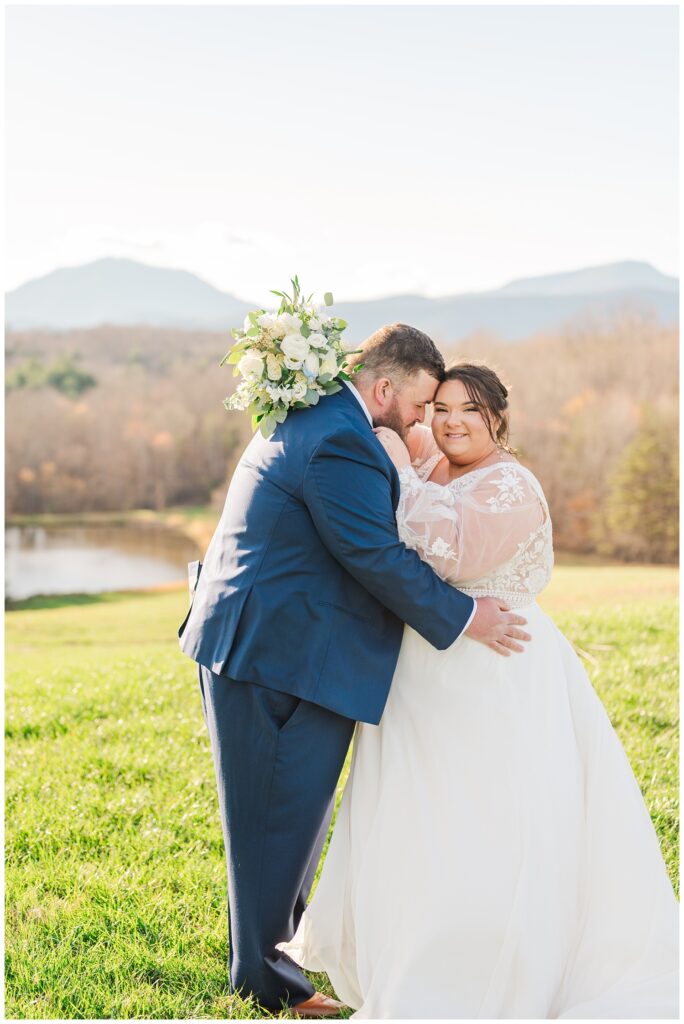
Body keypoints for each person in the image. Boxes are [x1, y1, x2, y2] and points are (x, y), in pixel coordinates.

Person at [279, 363, 679, 1019]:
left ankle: (485, 967)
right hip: (421, 676)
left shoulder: (511, 486)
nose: (452, 420)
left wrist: (396, 469)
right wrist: (403, 464)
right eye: (439, 407)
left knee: (487, 817)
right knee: (415, 814)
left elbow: (453, 553)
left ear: (496, 417)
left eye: (469, 408)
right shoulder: (431, 466)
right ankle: (408, 951)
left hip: (496, 676)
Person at [177, 327, 531, 1016]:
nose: (423, 420)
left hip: (271, 638)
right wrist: (467, 617)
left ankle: (274, 966)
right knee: (277, 818)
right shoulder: (342, 437)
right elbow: (372, 554)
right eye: (423, 403)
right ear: (386, 387)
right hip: (279, 650)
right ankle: (268, 985)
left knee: (285, 817)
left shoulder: (318, 415)